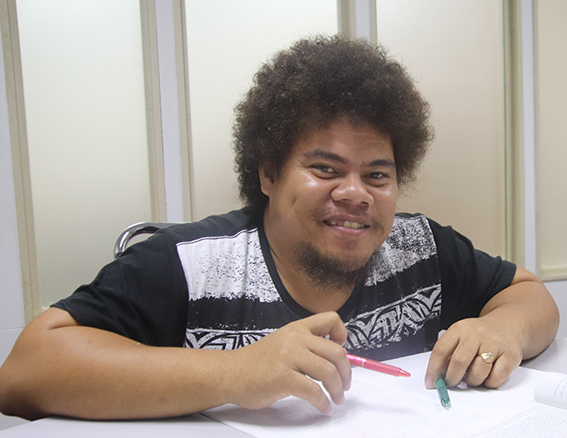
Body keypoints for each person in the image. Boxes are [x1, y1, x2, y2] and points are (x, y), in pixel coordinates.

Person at [0, 35, 559, 421]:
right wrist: (232, 373)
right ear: (267, 172)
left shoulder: (420, 248)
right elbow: (25, 372)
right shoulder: (193, 264)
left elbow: (530, 295)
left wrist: (504, 331)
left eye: (378, 174)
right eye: (325, 168)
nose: (355, 193)